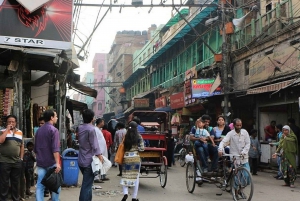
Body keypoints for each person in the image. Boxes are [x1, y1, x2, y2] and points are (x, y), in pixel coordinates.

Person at [218, 118, 251, 199]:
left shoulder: (245, 132)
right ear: (234, 125)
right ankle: (235, 193)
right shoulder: (230, 134)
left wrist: (244, 152)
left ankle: (241, 190)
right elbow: (223, 142)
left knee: (247, 176)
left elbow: (248, 144)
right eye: (237, 125)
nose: (239, 127)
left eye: (240, 125)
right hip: (235, 158)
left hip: (244, 157)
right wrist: (220, 149)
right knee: (237, 177)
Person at [34, 109, 61, 201]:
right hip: (51, 162)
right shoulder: (54, 130)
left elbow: (35, 148)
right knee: (55, 186)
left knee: (40, 185)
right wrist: (57, 163)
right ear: (51, 118)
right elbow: (55, 148)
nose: (57, 118)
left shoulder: (39, 131)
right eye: (56, 116)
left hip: (41, 162)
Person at [78, 109, 103, 201]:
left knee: (88, 184)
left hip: (81, 159)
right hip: (89, 161)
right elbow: (94, 144)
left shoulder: (80, 127)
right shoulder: (91, 129)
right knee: (87, 185)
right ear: (92, 118)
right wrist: (100, 155)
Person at [0, 115, 24, 201]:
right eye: (9, 122)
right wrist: (7, 129)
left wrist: (21, 159)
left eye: (12, 122)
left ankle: (15, 198)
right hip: (4, 161)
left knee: (15, 182)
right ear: (6, 123)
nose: (11, 123)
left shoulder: (20, 132)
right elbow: (1, 140)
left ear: (16, 123)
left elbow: (22, 146)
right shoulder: (2, 131)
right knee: (4, 182)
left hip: (16, 162)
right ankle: (3, 199)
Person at [120, 121, 145, 201]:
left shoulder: (125, 137)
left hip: (126, 159)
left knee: (125, 176)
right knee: (136, 178)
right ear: (136, 128)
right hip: (136, 159)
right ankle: (134, 197)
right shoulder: (139, 136)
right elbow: (142, 148)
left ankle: (125, 193)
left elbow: (122, 147)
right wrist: (136, 149)